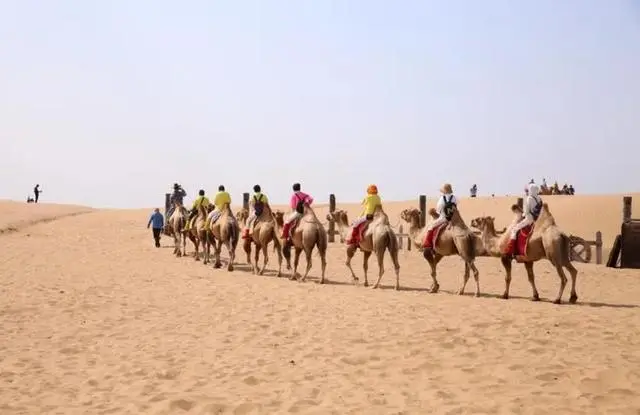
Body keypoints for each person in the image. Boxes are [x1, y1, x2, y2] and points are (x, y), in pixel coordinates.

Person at [503, 183, 543, 255]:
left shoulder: (529, 198)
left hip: (529, 219)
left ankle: (511, 249)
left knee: (514, 229)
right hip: (539, 220)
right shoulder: (540, 199)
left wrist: (523, 214)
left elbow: (526, 212)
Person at [423, 183, 457, 250]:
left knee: (431, 226)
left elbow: (439, 209)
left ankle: (427, 244)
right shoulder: (454, 198)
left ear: (444, 191)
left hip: (444, 218)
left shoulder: (442, 198)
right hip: (454, 219)